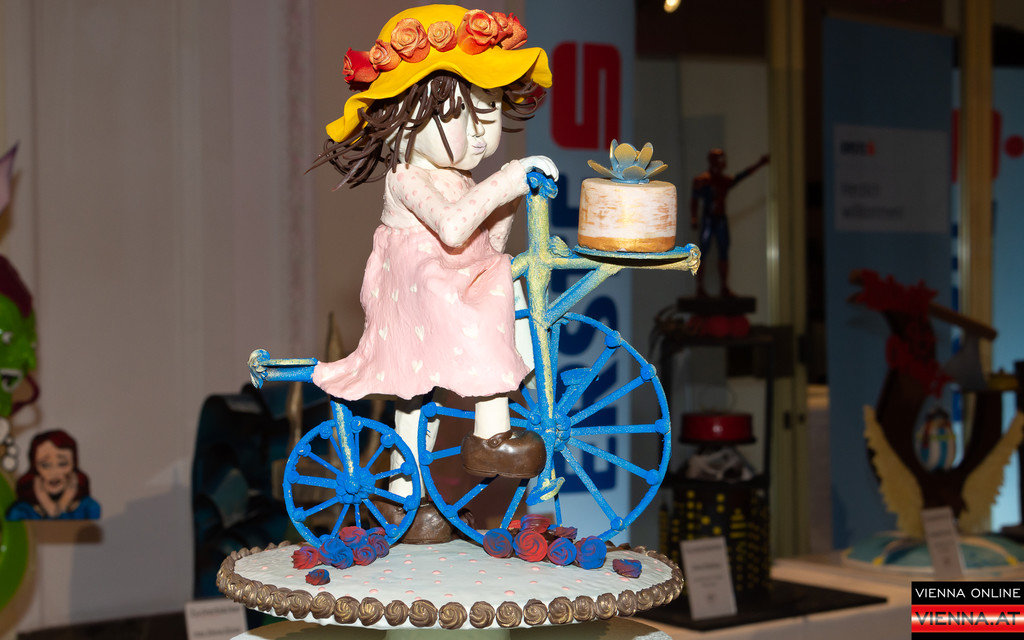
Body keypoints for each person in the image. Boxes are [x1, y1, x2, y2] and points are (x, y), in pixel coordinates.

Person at [307, 6, 557, 542]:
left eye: (488, 114)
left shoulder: (461, 179)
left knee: (425, 392)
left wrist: (510, 200)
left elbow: (487, 243)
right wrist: (509, 179)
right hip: (419, 285)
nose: (479, 135)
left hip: (454, 272)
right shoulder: (406, 178)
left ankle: (412, 496)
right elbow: (452, 227)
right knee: (478, 305)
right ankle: (489, 436)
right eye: (460, 116)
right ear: (406, 118)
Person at [690, 149, 769, 297]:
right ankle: (700, 287)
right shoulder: (702, 180)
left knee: (723, 251)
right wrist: (694, 218)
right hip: (708, 219)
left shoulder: (724, 181)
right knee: (703, 252)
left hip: (720, 219)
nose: (723, 163)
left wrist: (759, 164)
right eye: (720, 160)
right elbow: (694, 200)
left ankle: (723, 287)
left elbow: (741, 176)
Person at [7, 429, 100, 520]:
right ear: (35, 468)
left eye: (62, 464)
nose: (54, 472)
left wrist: (62, 506)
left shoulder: (88, 508)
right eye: (45, 465)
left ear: (73, 466)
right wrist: (48, 506)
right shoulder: (21, 511)